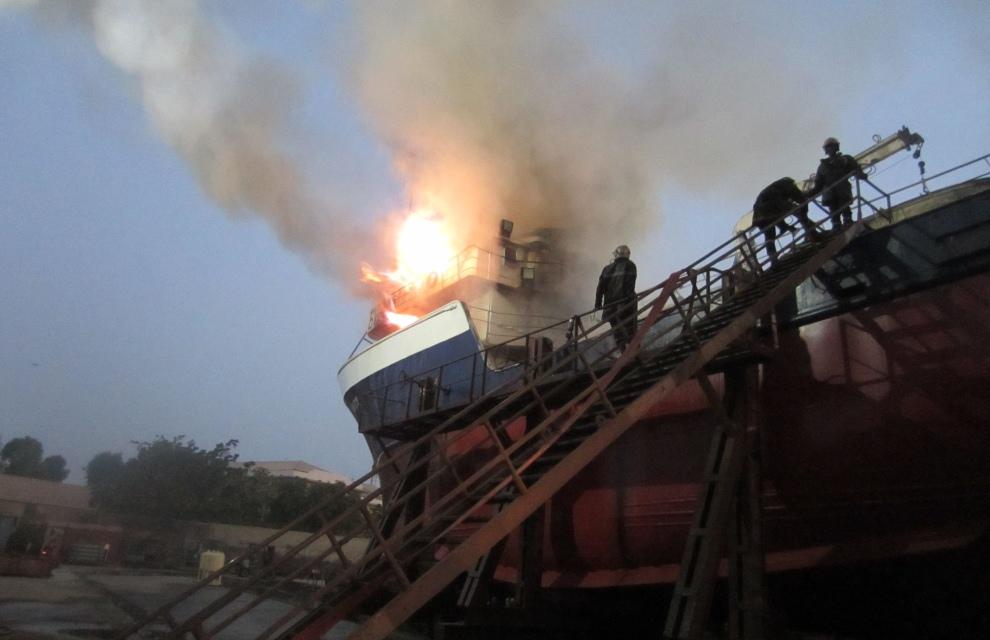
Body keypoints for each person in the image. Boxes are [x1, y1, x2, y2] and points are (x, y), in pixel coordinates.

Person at [809, 137, 867, 230]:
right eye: (828, 147)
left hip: (842, 189)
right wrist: (807, 195)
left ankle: (847, 220)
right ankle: (836, 225)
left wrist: (861, 175)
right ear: (826, 150)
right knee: (833, 211)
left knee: (845, 207)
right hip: (829, 193)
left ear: (837, 147)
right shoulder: (822, 166)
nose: (831, 149)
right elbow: (818, 186)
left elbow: (856, 169)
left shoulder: (846, 159)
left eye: (832, 146)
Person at [752, 177, 813, 264]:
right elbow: (790, 202)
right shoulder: (786, 187)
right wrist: (800, 210)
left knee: (769, 237)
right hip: (769, 212)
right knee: (798, 214)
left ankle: (773, 260)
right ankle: (813, 233)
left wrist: (786, 226)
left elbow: (780, 207)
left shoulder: (774, 190)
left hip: (759, 216)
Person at [595, 245, 638, 353]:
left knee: (617, 331)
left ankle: (623, 352)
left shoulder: (606, 269)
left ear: (615, 255)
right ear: (627, 254)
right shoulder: (630, 265)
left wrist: (598, 305)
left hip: (610, 308)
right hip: (626, 306)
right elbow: (630, 285)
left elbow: (600, 288)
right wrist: (629, 300)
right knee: (630, 328)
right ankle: (634, 352)